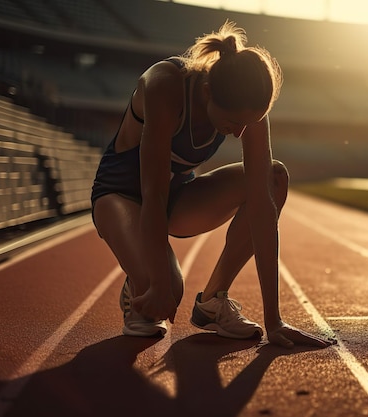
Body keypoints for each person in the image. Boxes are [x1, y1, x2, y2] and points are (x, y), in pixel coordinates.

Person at [91, 21, 331, 348]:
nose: (240, 133)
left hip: (179, 196)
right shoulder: (164, 85)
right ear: (207, 93)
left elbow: (262, 204)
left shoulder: (248, 103)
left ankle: (213, 301)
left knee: (273, 178)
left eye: (248, 123)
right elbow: (153, 194)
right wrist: (159, 281)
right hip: (121, 194)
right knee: (165, 292)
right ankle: (138, 285)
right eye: (233, 123)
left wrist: (274, 321)